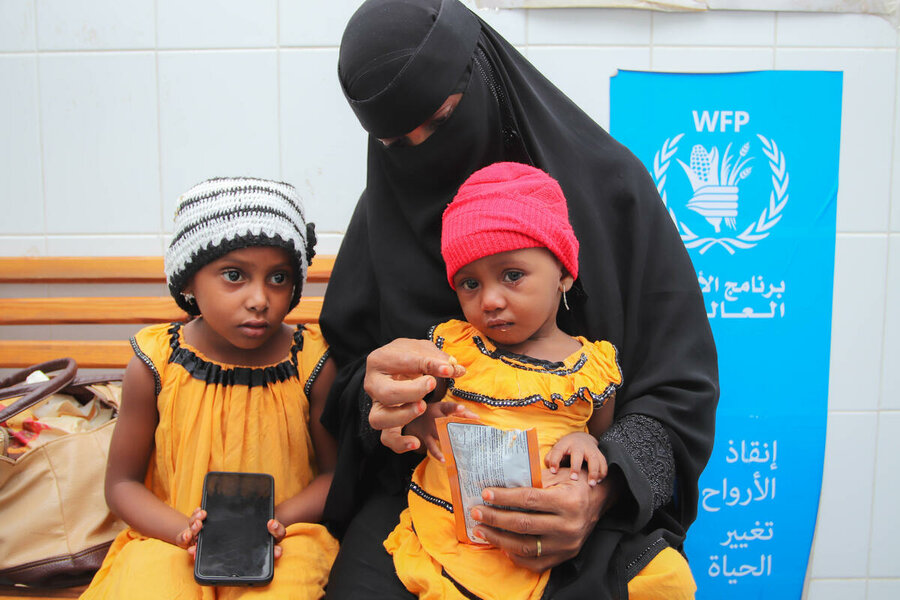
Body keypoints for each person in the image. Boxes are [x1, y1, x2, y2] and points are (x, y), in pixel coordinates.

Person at [320, 0, 719, 598]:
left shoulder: (610, 193)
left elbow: (678, 390)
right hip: (425, 503)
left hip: (579, 511)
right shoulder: (386, 213)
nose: (426, 150)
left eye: (444, 117)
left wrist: (595, 492)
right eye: (398, 140)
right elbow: (351, 373)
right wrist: (381, 402)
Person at [383, 161, 637, 600]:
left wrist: (588, 445)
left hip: (547, 527)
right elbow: (414, 416)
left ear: (563, 273)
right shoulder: (456, 349)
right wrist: (424, 424)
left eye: (512, 275)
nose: (491, 300)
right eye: (469, 283)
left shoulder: (590, 366)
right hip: (459, 519)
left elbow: (600, 435)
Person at [80, 177, 339, 600]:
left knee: (286, 589)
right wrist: (183, 531)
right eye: (234, 275)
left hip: (284, 538)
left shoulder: (309, 361)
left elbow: (333, 475)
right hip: (169, 536)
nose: (260, 298)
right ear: (187, 282)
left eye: (279, 278)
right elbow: (122, 485)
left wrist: (274, 519)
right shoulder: (155, 363)